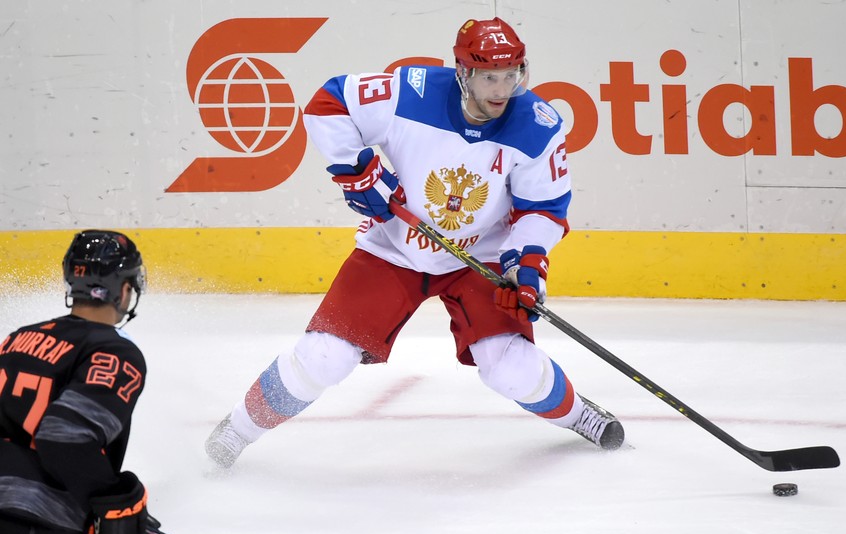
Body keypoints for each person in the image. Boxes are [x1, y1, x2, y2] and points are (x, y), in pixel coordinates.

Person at [205, 17, 624, 469]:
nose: (501, 89)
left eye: (511, 75)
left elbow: (542, 208)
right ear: (463, 72)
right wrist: (357, 169)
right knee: (324, 357)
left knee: (510, 367)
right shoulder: (412, 92)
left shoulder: (537, 125)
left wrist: (525, 266)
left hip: (478, 256)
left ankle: (582, 415)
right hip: (394, 248)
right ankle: (237, 428)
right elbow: (329, 102)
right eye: (489, 77)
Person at [0, 230, 167, 534]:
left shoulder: (19, 339)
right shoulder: (114, 351)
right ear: (123, 290)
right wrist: (115, 502)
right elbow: (64, 437)